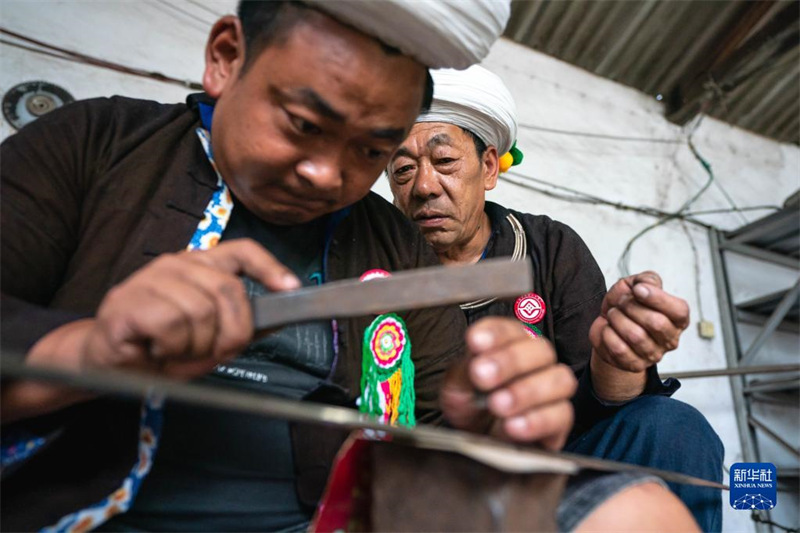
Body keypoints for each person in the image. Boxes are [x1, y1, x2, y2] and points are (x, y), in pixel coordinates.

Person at [1, 2, 697, 532]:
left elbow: (562, 415)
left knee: (659, 468)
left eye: (369, 149)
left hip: (349, 507)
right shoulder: (96, 145)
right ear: (226, 56)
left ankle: (758, 502)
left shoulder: (495, 247)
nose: (327, 173)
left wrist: (494, 425)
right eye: (303, 124)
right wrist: (91, 348)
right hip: (83, 502)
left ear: (491, 169)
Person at [388, 65, 725, 531]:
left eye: (444, 162)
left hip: (558, 463)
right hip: (438, 482)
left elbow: (600, 404)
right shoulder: (378, 268)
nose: (422, 186)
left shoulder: (549, 247)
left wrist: (618, 359)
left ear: (488, 168)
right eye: (402, 170)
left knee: (673, 427)